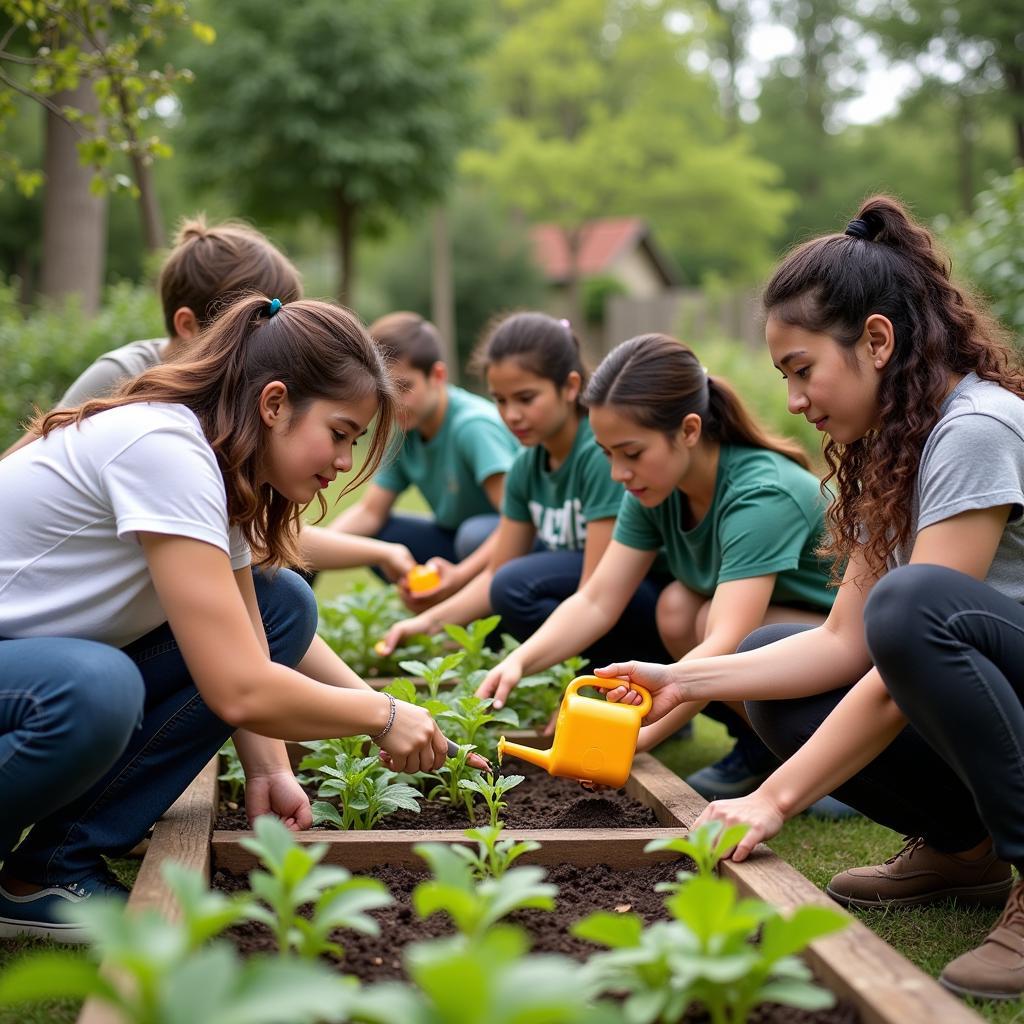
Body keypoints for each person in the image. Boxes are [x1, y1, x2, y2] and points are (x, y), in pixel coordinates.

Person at [593, 195, 1024, 1001]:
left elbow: (910, 639)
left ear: (877, 340)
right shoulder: (889, 449)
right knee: (765, 666)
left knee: (911, 604)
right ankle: (966, 850)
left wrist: (772, 798)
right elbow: (839, 643)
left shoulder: (976, 430)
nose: (793, 399)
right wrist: (686, 677)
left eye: (801, 370)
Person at [0, 296, 462, 942]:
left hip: (23, 662)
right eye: (339, 432)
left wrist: (271, 772)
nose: (342, 462)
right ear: (274, 404)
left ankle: (46, 869)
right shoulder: (164, 448)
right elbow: (237, 686)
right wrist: (381, 715)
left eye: (354, 442)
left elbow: (251, 635)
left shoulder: (217, 468)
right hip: (25, 667)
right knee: (95, 688)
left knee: (285, 605)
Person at [476, 332, 837, 801]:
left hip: (845, 658)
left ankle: (823, 762)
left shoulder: (760, 493)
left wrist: (636, 739)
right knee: (675, 605)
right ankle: (766, 749)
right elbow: (596, 598)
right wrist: (519, 660)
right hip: (779, 650)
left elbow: (727, 642)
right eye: (607, 454)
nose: (618, 473)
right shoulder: (653, 487)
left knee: (707, 620)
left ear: (688, 430)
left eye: (631, 453)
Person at [1, 216, 417, 585]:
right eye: (259, 328)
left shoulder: (230, 428)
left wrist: (379, 551)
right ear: (189, 325)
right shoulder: (130, 387)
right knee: (102, 674)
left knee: (284, 598)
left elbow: (250, 537)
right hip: (56, 589)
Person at [377, 312, 663, 662]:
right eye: (501, 400)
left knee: (518, 585)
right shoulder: (528, 464)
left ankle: (613, 680)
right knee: (509, 583)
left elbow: (596, 591)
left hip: (638, 600)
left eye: (526, 398)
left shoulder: (598, 454)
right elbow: (495, 572)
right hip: (593, 602)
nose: (511, 415)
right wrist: (427, 623)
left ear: (570, 387)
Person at [328, 311, 520, 611]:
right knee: (381, 538)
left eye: (405, 387)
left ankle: (480, 620)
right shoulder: (408, 428)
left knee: (474, 533)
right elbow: (370, 512)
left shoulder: (473, 428)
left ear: (438, 376)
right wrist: (311, 553)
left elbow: (517, 519)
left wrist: (459, 577)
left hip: (508, 546)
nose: (395, 403)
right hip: (454, 540)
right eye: (386, 391)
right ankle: (441, 611)